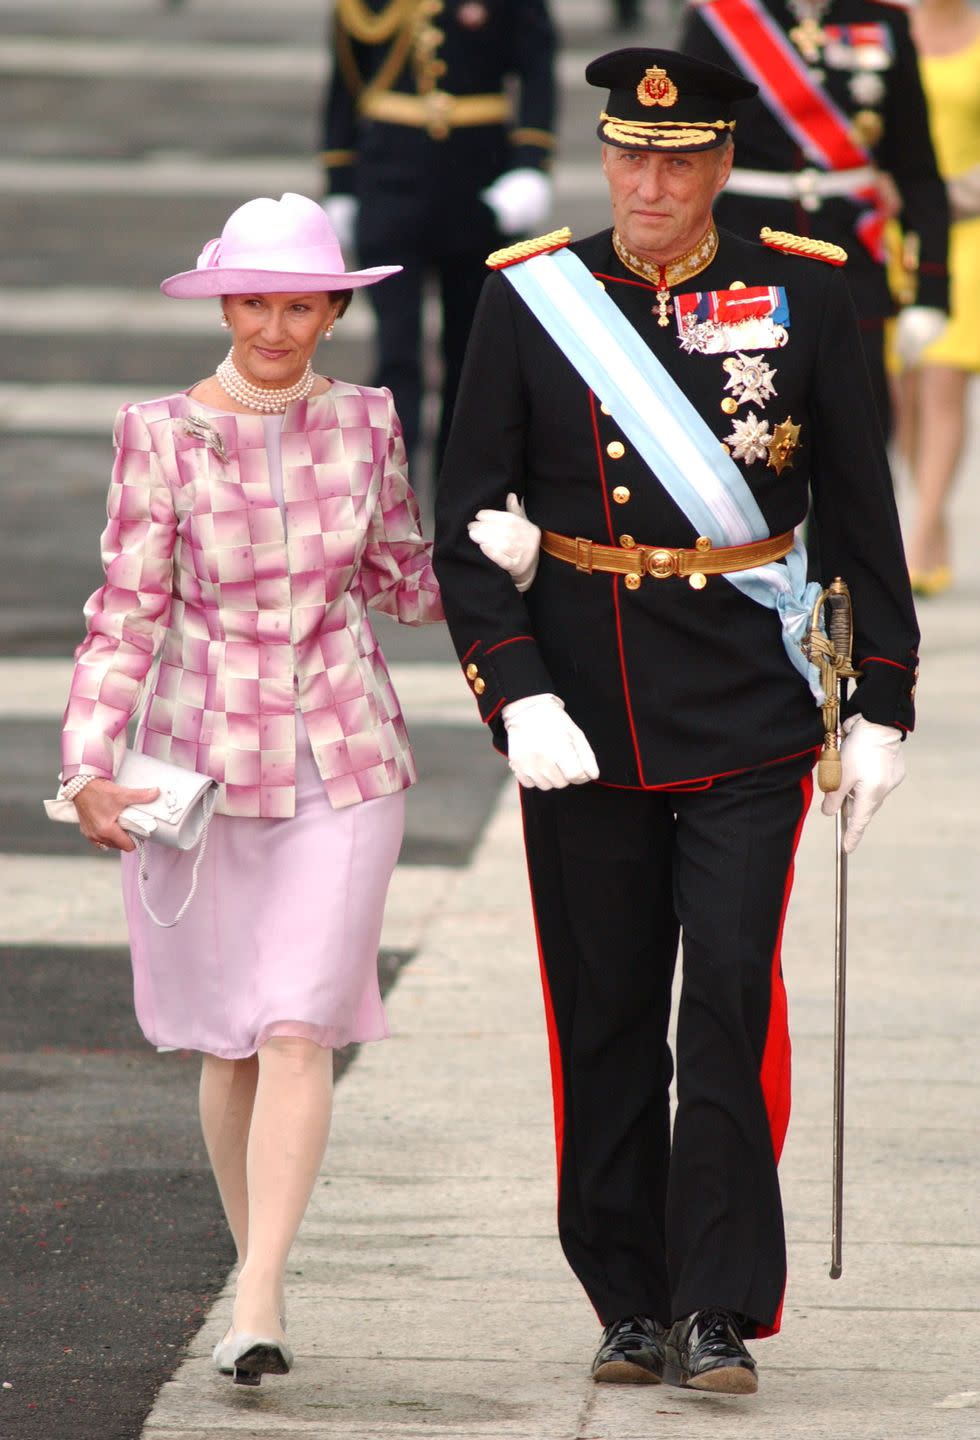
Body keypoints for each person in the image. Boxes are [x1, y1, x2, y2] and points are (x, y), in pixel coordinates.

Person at [434, 49, 919, 1396]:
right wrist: (514, 690)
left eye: (680, 158)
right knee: (603, 1014)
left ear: (717, 164)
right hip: (582, 713)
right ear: (606, 157)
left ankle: (716, 1304)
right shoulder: (532, 297)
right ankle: (625, 1295)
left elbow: (859, 510)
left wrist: (884, 697)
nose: (651, 184)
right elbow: (464, 527)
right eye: (631, 158)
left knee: (720, 1010)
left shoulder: (807, 290)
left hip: (752, 710)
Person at [55, 192, 537, 1388]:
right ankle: (254, 1272)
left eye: (299, 303)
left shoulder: (368, 422)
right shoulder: (159, 432)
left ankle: (259, 1295)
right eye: (256, 301)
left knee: (296, 1021)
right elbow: (125, 608)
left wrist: (505, 556)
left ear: (333, 308)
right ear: (225, 301)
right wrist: (86, 763)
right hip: (201, 761)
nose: (276, 325)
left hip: (344, 751)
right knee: (230, 1041)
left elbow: (395, 579)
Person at [679, 0, 950, 436]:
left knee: (860, 431)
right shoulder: (719, 21)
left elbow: (917, 169)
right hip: (743, 256)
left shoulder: (884, 21)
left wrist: (932, 291)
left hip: (849, 261)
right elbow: (686, 151)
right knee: (743, 425)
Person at [320, 0, 558, 478]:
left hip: (476, 184)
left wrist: (531, 163)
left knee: (469, 354)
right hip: (390, 183)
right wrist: (341, 182)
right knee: (396, 353)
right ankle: (391, 488)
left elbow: (537, 68)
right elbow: (345, 84)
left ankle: (459, 492)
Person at [895, 0, 980, 594]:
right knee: (904, 389)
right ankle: (930, 514)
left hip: (970, 228)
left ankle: (921, 530)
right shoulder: (886, 24)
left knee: (943, 377)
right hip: (898, 227)